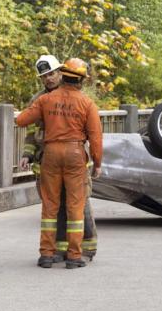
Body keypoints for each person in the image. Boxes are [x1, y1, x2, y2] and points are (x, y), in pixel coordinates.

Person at [16, 58, 103, 269]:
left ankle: (46, 254)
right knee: (76, 207)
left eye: (51, 74)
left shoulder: (45, 100)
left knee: (50, 207)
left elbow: (21, 121)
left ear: (62, 74)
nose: (48, 78)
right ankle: (74, 256)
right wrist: (98, 162)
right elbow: (96, 137)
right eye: (44, 76)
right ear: (81, 80)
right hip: (75, 155)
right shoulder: (87, 103)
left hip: (51, 155)